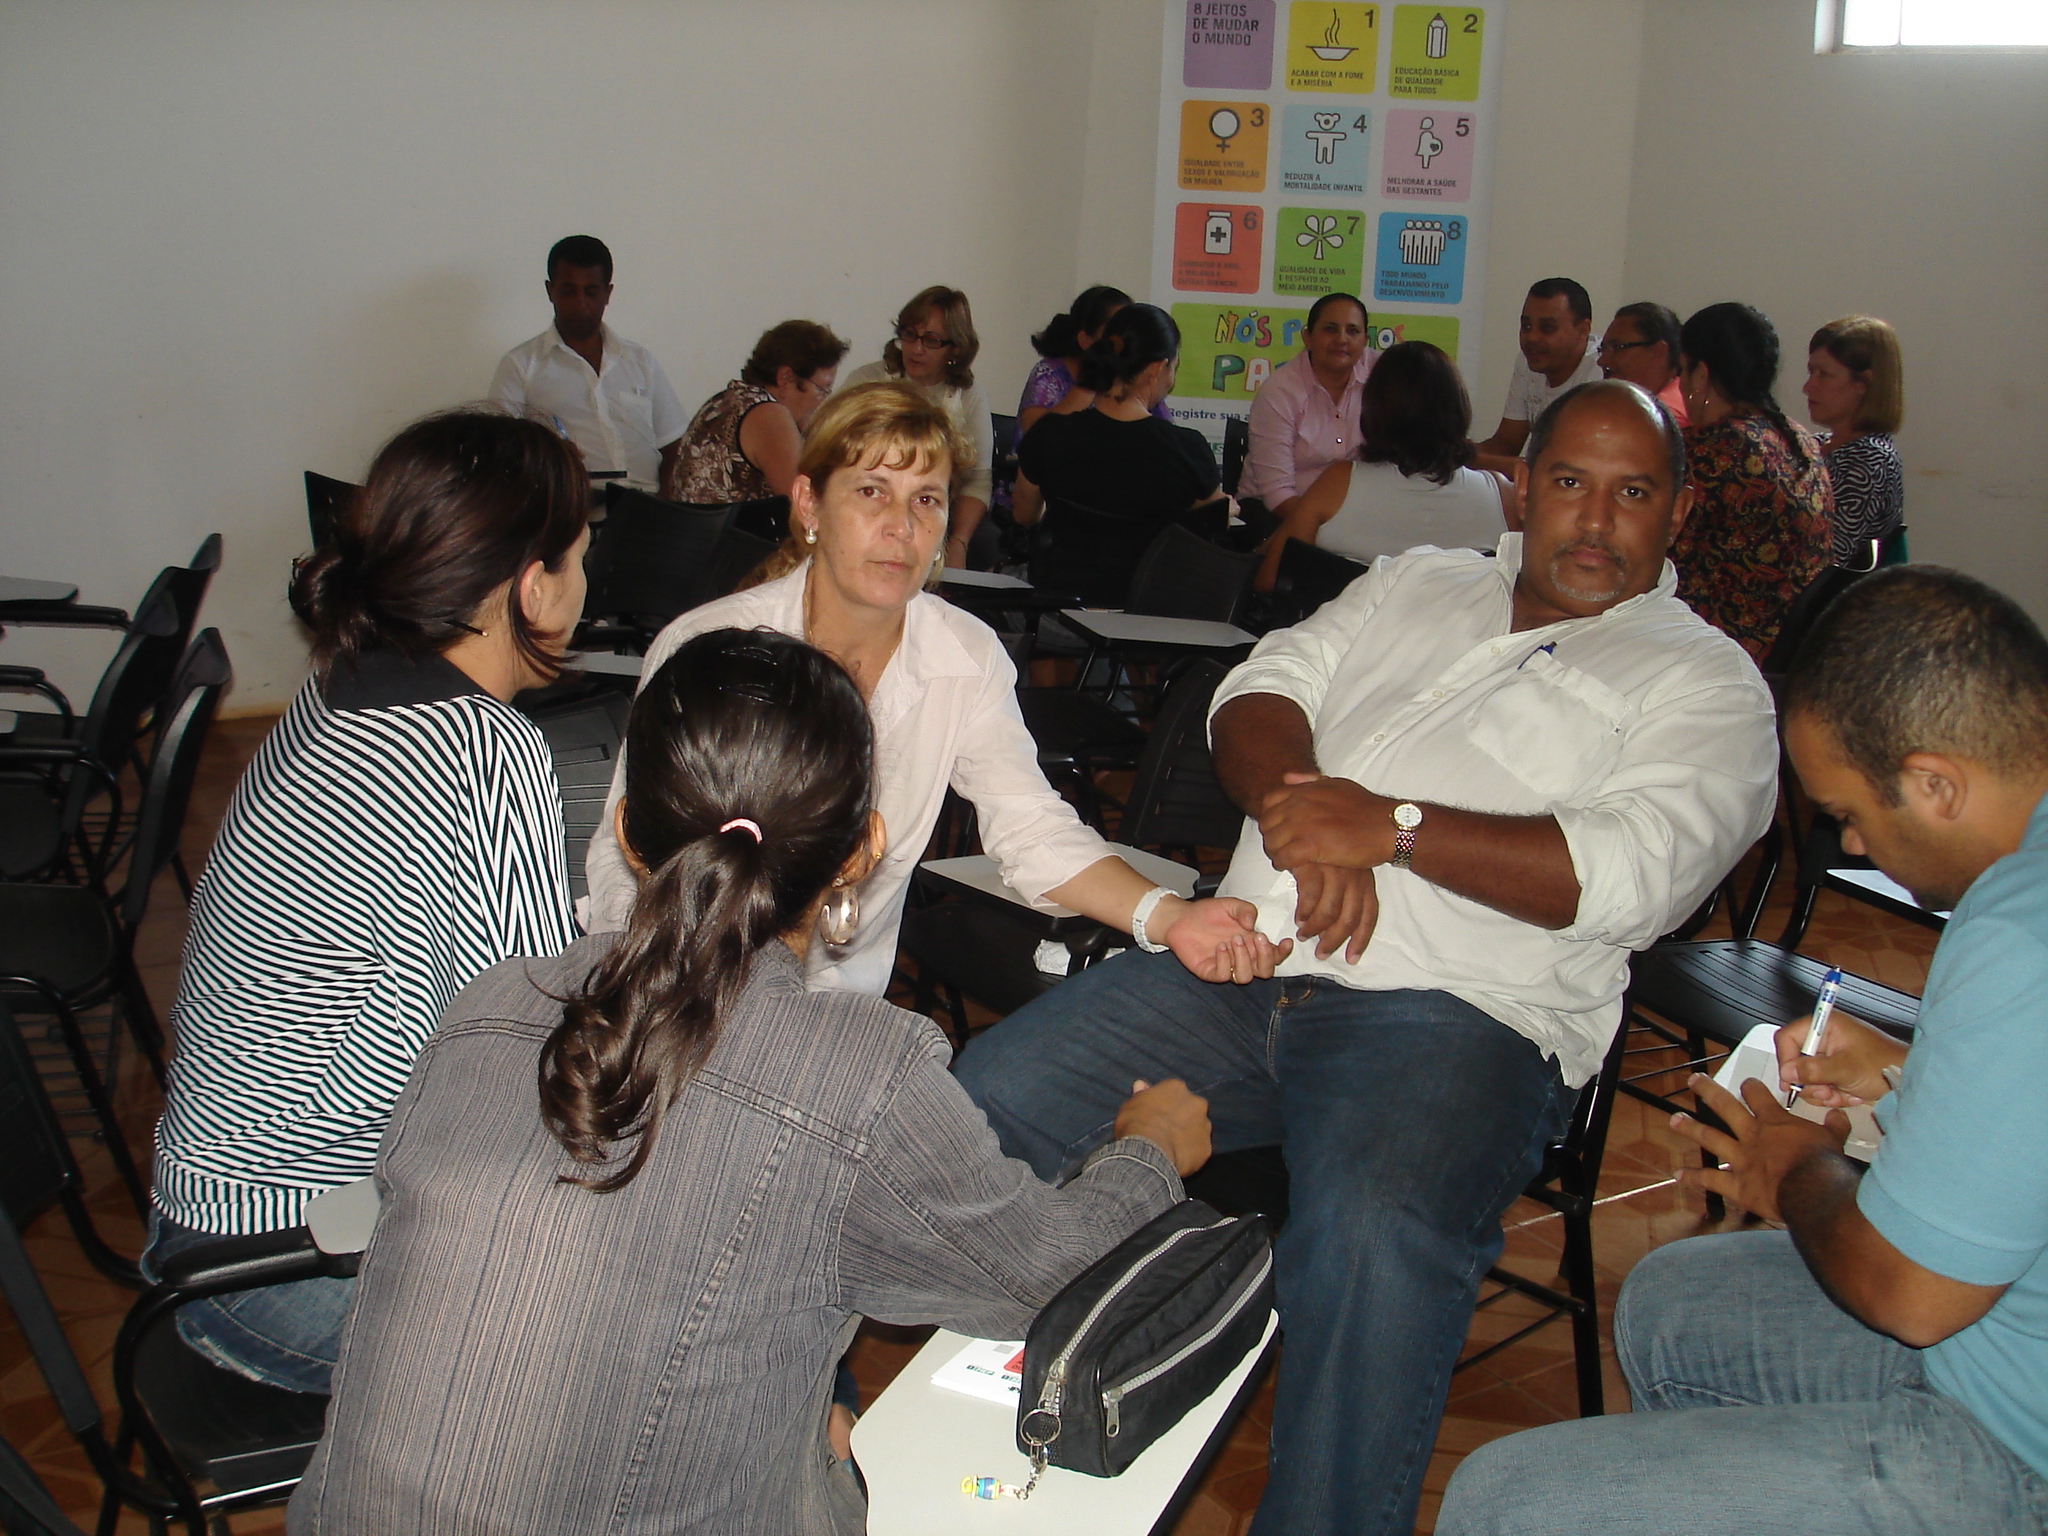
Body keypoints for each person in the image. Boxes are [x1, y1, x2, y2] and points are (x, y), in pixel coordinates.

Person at [957, 380, 1779, 1536]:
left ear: (1676, 512)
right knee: (980, 1105)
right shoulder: (1420, 580)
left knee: (1371, 1235)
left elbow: (1630, 875)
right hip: (1240, 964)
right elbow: (1259, 688)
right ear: (1520, 487)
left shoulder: (1706, 682)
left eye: (1631, 493)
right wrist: (1307, 813)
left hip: (1454, 1020)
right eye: (1567, 482)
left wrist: (1390, 829)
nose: (1594, 519)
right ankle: (968, 1465)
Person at [287, 628, 1214, 1536]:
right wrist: (1148, 1149)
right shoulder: (862, 1080)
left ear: (626, 832)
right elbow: (1043, 1278)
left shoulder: (488, 1005)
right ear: (863, 851)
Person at [1436, 566, 2048, 1536]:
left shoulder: (2017, 935)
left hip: (2014, 1444)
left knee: (1504, 1504)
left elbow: (1909, 1296)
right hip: (2003, 1325)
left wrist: (1793, 1167)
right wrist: (1906, 1065)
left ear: (1935, 785)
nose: (1850, 844)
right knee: (1675, 1304)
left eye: (1846, 816)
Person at [147, 410, 589, 1393]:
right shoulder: (478, 746)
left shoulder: (343, 685)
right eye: (581, 560)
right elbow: (533, 1058)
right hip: (289, 1262)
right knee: (705, 1327)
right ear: (533, 587)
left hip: (218, 1219)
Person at [584, 378, 1281, 994]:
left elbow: (1030, 829)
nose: (901, 526)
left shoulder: (963, 655)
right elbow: (625, 860)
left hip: (839, 1004)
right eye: (870, 491)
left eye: (926, 499)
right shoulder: (706, 648)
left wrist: (1170, 916)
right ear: (809, 504)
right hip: (681, 985)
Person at [1253, 340, 1512, 591]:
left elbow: (1269, 578)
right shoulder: (1501, 497)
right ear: (1458, 408)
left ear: (1373, 408)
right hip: (1464, 622)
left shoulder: (1338, 484)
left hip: (1349, 621)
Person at [1669, 301, 1834, 659]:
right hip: (1789, 649)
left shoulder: (1713, 450)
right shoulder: (1799, 438)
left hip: (1722, 649)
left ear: (1701, 374)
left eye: (1682, 370)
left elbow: (1652, 552)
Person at [488, 235, 686, 488]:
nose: (580, 304)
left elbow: (674, 445)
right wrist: (548, 455)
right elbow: (499, 451)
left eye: (591, 292)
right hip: (569, 505)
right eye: (568, 291)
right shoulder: (520, 366)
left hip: (646, 503)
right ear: (550, 291)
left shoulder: (640, 361)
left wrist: (667, 506)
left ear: (608, 293)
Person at [1011, 303, 1222, 529]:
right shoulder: (1189, 450)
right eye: (1173, 368)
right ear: (1158, 368)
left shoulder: (1048, 434)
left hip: (1065, 553)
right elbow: (1210, 525)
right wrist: (1226, 510)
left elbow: (1024, 516)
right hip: (1150, 555)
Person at [841, 286, 995, 569]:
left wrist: (958, 542)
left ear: (956, 348)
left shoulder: (969, 396)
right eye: (909, 335)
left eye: (931, 340)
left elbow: (978, 482)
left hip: (938, 514)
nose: (916, 348)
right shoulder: (867, 381)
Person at [663, 319, 848, 505]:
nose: (823, 400)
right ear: (785, 377)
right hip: (734, 525)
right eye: (822, 389)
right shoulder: (768, 415)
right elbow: (805, 505)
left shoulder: (723, 402)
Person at [1239, 292, 1375, 513]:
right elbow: (1277, 495)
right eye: (1330, 329)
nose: (1342, 339)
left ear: (1365, 342)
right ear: (1307, 337)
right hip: (1274, 511)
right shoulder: (1279, 392)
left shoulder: (1381, 374)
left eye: (1353, 331)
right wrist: (1332, 527)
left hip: (1354, 511)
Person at [1472, 278, 1602, 476]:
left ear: (1583, 331)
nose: (1532, 338)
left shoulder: (1600, 372)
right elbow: (1506, 443)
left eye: (1547, 328)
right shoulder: (1527, 362)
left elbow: (1560, 470)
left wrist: (1471, 459)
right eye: (1526, 326)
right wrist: (1453, 451)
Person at [1805, 314, 1906, 568]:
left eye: (1824, 374)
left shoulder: (1869, 460)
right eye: (1811, 372)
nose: (1808, 387)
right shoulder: (1814, 445)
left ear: (1863, 383)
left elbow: (1829, 561)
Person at [1016, 284, 1144, 438]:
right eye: (1116, 331)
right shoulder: (1049, 375)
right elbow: (1035, 437)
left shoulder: (1136, 378)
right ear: (1085, 340)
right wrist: (1088, 386)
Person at [1598, 301, 1688, 425]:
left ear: (1658, 351)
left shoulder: (1662, 419)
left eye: (1617, 347)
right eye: (1603, 349)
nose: (1602, 361)